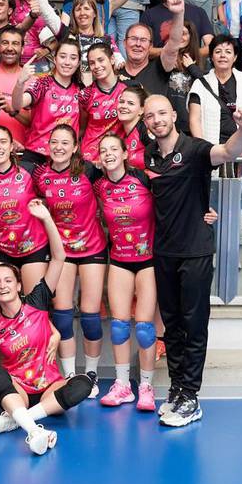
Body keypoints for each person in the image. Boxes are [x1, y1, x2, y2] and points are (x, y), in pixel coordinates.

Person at [142, 93, 242, 426]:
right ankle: (178, 389)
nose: (157, 120)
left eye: (162, 113)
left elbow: (228, 151)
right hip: (163, 252)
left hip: (195, 252)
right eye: (150, 116)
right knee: (173, 326)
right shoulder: (150, 156)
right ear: (146, 122)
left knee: (193, 326)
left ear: (173, 116)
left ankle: (191, 396)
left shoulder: (195, 150)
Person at [0, 193, 92, 455]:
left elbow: (58, 258)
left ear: (18, 284)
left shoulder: (37, 300)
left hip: (50, 388)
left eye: (8, 280)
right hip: (18, 389)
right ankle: (33, 428)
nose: (3, 285)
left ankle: (17, 422)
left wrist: (46, 219)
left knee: (83, 384)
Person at [30, 125, 106, 395]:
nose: (59, 147)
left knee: (90, 317)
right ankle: (71, 376)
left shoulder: (89, 171)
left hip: (92, 248)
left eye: (65, 143)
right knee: (61, 317)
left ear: (75, 147)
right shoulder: (41, 175)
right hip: (61, 251)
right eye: (54, 142)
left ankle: (92, 375)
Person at [93, 133, 157, 409]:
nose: (108, 153)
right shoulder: (99, 186)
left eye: (113, 149)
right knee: (119, 327)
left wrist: (205, 211)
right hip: (119, 259)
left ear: (124, 154)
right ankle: (122, 386)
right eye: (103, 150)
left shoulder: (143, 179)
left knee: (144, 328)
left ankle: (146, 386)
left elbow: (177, 197)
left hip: (148, 259)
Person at [0, 125, 49, 291]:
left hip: (33, 247)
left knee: (33, 304)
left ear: (11, 146)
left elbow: (53, 186)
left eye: (3, 142)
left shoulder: (29, 170)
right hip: (2, 250)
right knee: (2, 305)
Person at [11, 39, 83, 166]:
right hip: (36, 154)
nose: (67, 62)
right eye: (62, 56)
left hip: (66, 157)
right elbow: (17, 104)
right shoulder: (43, 83)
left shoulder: (81, 90)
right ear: (54, 59)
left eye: (73, 58)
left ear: (78, 63)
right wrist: (20, 82)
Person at [189, 34, 242, 146]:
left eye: (228, 52)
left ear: (234, 57)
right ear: (211, 57)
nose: (223, 55)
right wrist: (203, 148)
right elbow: (194, 119)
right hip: (211, 150)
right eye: (218, 51)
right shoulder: (199, 84)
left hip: (241, 147)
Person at [140, 0, 213, 54]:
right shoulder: (149, 14)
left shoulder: (198, 12)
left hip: (191, 65)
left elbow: (210, 46)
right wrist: (170, 53)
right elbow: (144, 49)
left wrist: (190, 55)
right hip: (160, 65)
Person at [79, 42, 128, 161]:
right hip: (91, 155)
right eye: (92, 63)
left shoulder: (127, 88)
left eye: (101, 60)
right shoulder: (86, 94)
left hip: (118, 153)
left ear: (112, 59)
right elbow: (81, 127)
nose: (96, 66)